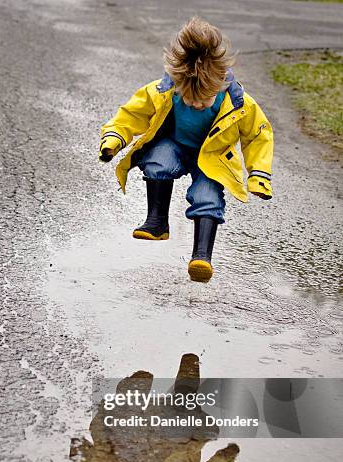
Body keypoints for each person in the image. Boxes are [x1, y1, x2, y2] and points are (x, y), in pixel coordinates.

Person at [99, 16, 274, 283]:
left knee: (208, 198)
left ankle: (201, 255)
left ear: (219, 85)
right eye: (190, 99)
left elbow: (258, 136)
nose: (196, 105)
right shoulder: (164, 90)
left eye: (204, 100)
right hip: (176, 145)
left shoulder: (239, 102)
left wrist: (259, 174)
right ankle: (157, 222)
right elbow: (131, 114)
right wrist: (113, 139)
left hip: (213, 158)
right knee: (157, 161)